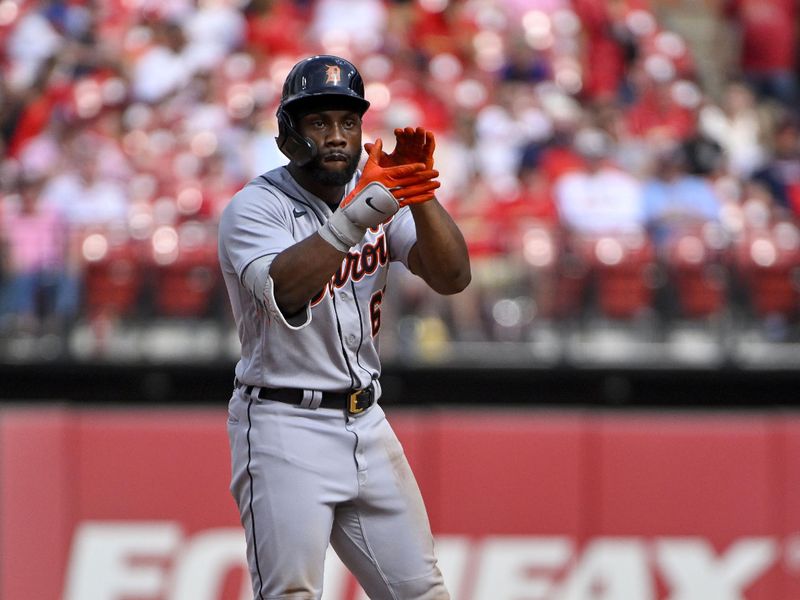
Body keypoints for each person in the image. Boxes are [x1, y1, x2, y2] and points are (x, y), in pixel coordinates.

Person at [217, 55, 470, 600]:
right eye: (318, 122)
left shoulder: (373, 188)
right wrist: (363, 210)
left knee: (423, 593)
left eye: (348, 121)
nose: (336, 135)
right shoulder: (255, 207)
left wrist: (418, 193)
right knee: (292, 594)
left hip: (367, 420)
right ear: (289, 135)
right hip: (284, 421)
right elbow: (288, 289)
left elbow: (452, 276)